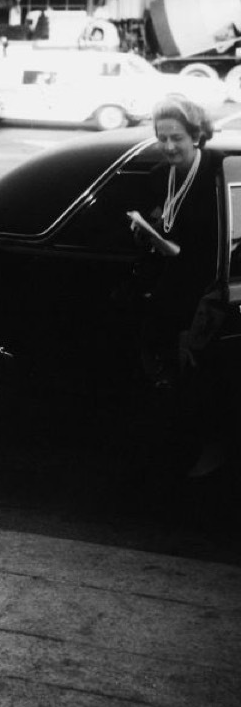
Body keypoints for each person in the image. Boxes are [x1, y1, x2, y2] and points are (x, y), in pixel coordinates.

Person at [131, 95, 228, 477]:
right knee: (168, 378)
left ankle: (201, 455)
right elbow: (160, 227)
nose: (169, 147)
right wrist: (142, 233)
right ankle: (170, 458)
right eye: (163, 138)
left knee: (199, 378)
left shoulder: (218, 173)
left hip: (206, 291)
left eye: (178, 139)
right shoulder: (158, 176)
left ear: (197, 136)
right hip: (168, 289)